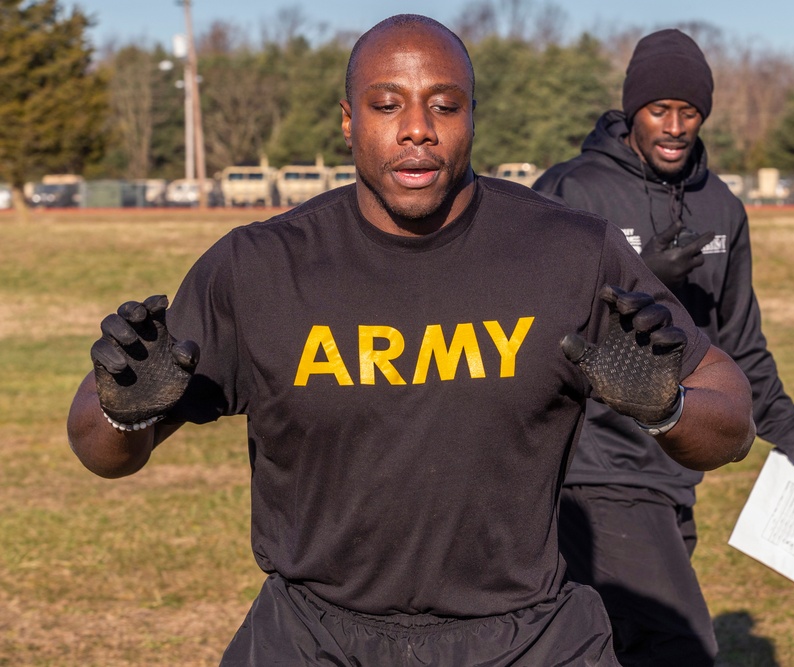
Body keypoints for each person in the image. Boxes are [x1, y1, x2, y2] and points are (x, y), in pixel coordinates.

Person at [66, 16, 756, 667]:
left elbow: (730, 413)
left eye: (444, 106)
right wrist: (125, 413)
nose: (417, 130)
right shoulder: (259, 267)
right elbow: (100, 447)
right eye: (387, 105)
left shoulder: (568, 252)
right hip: (314, 635)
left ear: (473, 118)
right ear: (347, 121)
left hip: (525, 637)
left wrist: (667, 408)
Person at [533, 28, 794, 667]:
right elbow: (527, 317)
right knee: (680, 647)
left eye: (690, 111)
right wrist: (641, 272)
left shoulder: (722, 207)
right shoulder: (572, 192)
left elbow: (740, 343)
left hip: (678, 464)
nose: (674, 125)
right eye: (657, 110)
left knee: (607, 645)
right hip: (592, 464)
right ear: (630, 111)